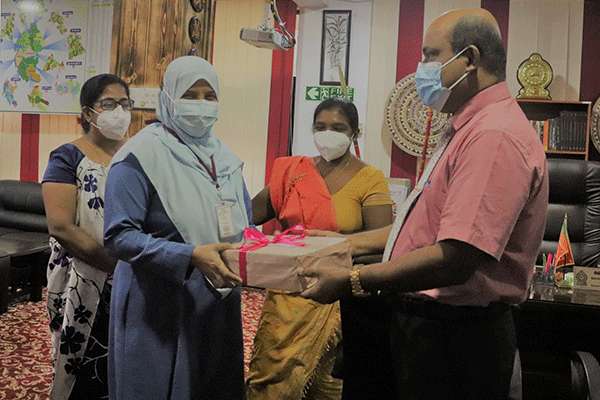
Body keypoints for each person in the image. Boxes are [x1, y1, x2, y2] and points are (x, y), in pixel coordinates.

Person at [300, 8, 549, 400]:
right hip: (429, 330)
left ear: (469, 58)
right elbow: (420, 228)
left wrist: (354, 280)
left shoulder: (493, 136)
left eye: (431, 56)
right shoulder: (467, 126)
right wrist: (343, 243)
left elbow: (456, 257)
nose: (422, 69)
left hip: (455, 340)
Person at [103, 56, 251, 400]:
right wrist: (188, 255)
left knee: (212, 384)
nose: (201, 104)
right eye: (190, 94)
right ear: (168, 97)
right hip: (158, 300)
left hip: (217, 297)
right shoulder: (139, 156)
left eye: (209, 96)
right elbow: (119, 236)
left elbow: (246, 222)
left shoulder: (224, 158)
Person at [247, 98, 394, 400]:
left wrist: (334, 250)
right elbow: (247, 214)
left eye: (338, 128)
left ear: (354, 132)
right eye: (320, 127)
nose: (328, 133)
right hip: (286, 297)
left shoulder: (370, 179)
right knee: (270, 382)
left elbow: (384, 245)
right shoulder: (293, 173)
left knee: (328, 386)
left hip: (337, 297)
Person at [43, 73, 132, 399]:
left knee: (126, 359)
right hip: (81, 278)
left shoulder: (136, 156)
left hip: (133, 276)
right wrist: (114, 266)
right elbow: (61, 226)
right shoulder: (66, 157)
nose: (119, 111)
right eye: (109, 104)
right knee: (80, 365)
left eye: (125, 104)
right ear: (88, 112)